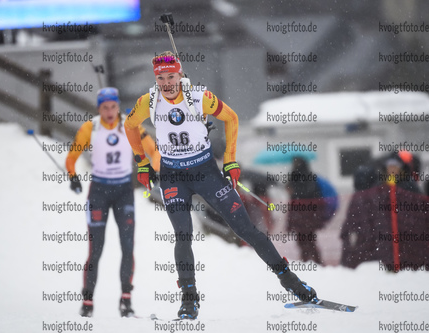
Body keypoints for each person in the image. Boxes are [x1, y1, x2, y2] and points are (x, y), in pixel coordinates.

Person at [124, 51, 317, 319]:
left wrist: (230, 161)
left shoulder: (198, 97)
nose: (166, 83)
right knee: (182, 235)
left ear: (180, 75)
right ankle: (189, 300)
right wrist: (142, 163)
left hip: (206, 172)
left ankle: (291, 282)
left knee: (245, 229)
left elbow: (232, 118)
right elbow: (130, 124)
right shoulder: (149, 101)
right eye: (160, 78)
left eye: (171, 76)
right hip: (173, 175)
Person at [65, 87, 159, 318]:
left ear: (118, 106)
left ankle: (126, 301)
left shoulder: (131, 124)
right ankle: (87, 302)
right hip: (99, 192)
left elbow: (154, 151)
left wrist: (153, 170)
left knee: (127, 247)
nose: (109, 111)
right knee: (95, 249)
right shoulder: (91, 127)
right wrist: (73, 176)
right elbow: (71, 157)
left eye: (113, 107)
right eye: (104, 107)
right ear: (99, 108)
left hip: (123, 191)